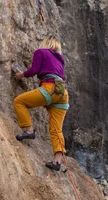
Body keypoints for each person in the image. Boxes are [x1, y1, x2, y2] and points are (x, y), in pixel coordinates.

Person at [13, 36, 69, 171]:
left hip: (49, 87)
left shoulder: (41, 52)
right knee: (56, 129)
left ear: (45, 44)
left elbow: (34, 70)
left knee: (19, 101)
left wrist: (22, 75)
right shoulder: (60, 60)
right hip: (63, 94)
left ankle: (29, 130)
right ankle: (57, 161)